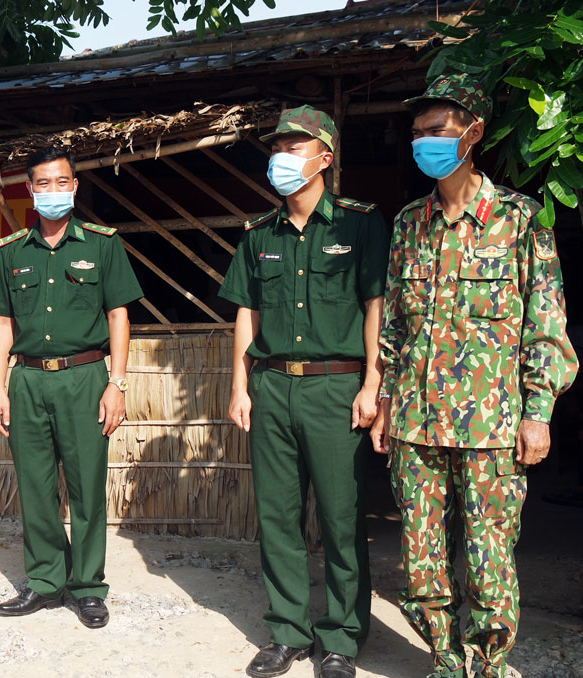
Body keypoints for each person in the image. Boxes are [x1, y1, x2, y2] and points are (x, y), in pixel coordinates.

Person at [371, 74, 579, 678]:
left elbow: (546, 325)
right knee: (421, 561)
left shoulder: (521, 219)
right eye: (416, 135)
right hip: (415, 423)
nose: (423, 144)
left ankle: (488, 666)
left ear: (473, 133)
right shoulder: (410, 222)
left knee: (490, 562)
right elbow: (396, 327)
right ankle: (444, 659)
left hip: (492, 426)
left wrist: (538, 413)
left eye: (435, 133)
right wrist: (385, 399)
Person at [219, 106, 389, 678]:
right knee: (278, 516)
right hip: (271, 387)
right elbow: (248, 312)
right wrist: (240, 385)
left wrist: (372, 380)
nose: (283, 158)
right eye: (278, 148)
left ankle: (341, 638)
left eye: (296, 147)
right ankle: (287, 632)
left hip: (335, 389)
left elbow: (375, 305)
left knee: (342, 518)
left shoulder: (360, 224)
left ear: (326, 157)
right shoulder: (257, 234)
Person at [0, 146, 143, 628]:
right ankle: (47, 581)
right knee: (36, 486)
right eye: (43, 184)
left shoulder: (102, 244)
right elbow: (2, 323)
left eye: (62, 182)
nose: (53, 191)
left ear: (75, 186)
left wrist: (117, 383)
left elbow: (119, 316)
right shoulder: (11, 251)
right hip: (28, 379)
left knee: (88, 485)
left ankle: (89, 587)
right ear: (29, 191)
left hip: (85, 377)